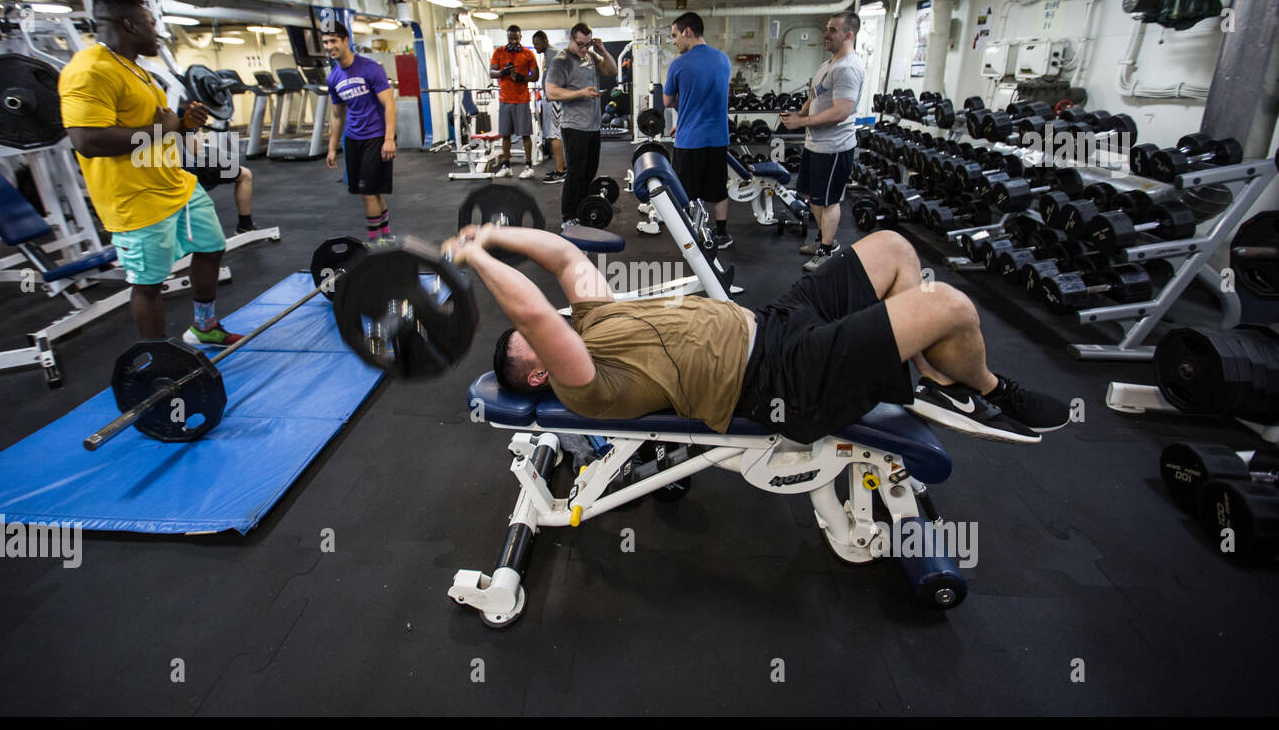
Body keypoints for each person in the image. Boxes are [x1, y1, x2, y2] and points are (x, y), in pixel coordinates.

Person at [444, 224, 1069, 445]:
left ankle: (936, 383)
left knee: (895, 249)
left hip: (777, 323)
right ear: (537, 375)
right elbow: (531, 315)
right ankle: (992, 387)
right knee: (948, 305)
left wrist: (490, 237)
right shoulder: (586, 386)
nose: (555, 326)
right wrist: (479, 266)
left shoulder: (591, 319)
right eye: (541, 344)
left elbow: (561, 258)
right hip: (781, 380)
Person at [59, 0, 241, 345]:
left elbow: (156, 129)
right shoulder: (89, 71)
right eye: (150, 22)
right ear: (130, 24)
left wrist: (185, 123)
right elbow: (87, 140)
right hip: (135, 200)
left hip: (175, 185)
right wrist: (165, 127)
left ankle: (204, 328)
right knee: (149, 284)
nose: (157, 32)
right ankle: (159, 363)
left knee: (212, 247)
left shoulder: (137, 69)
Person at [780, 12, 866, 272]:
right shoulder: (828, 64)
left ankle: (828, 250)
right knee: (813, 197)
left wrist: (801, 124)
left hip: (834, 147)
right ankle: (822, 240)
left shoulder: (848, 68)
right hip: (815, 145)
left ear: (849, 35)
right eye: (827, 29)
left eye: (832, 30)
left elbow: (841, 111)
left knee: (828, 201)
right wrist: (800, 114)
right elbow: (814, 96)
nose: (826, 34)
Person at [663, 12, 734, 248]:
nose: (674, 41)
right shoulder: (723, 59)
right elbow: (708, 97)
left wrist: (683, 116)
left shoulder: (679, 64)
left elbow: (667, 101)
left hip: (690, 140)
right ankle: (722, 234)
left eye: (675, 35)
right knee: (718, 188)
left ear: (688, 32)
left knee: (685, 192)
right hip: (718, 138)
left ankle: (690, 234)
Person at [323, 24, 398, 244]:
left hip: (376, 135)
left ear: (346, 41)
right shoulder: (334, 77)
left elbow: (390, 105)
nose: (330, 46)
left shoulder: (371, 68)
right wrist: (331, 147)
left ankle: (375, 245)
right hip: (353, 138)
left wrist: (389, 139)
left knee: (367, 192)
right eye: (326, 42)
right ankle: (387, 239)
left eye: (334, 41)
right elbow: (337, 115)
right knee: (370, 191)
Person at [544, 22, 619, 228]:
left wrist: (602, 49)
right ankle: (568, 218)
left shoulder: (591, 56)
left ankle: (582, 211)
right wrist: (581, 93)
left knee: (589, 173)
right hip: (574, 126)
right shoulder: (561, 61)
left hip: (593, 126)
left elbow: (612, 71)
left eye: (588, 44)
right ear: (571, 39)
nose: (584, 48)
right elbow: (551, 93)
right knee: (575, 174)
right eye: (580, 44)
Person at [488, 24, 540, 179]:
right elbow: (491, 72)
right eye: (511, 38)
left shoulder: (528, 54)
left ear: (520, 38)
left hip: (522, 100)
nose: (513, 41)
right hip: (505, 100)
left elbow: (535, 76)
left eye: (516, 38)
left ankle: (529, 166)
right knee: (505, 135)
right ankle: (506, 166)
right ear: (507, 38)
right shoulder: (499, 52)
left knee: (525, 134)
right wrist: (502, 72)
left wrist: (522, 78)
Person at [531, 30, 565, 184]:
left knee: (554, 134)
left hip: (554, 100)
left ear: (545, 41)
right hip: (551, 99)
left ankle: (561, 171)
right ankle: (561, 168)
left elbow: (559, 79)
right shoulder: (549, 54)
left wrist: (553, 96)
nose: (535, 47)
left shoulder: (553, 55)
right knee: (553, 134)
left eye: (537, 44)